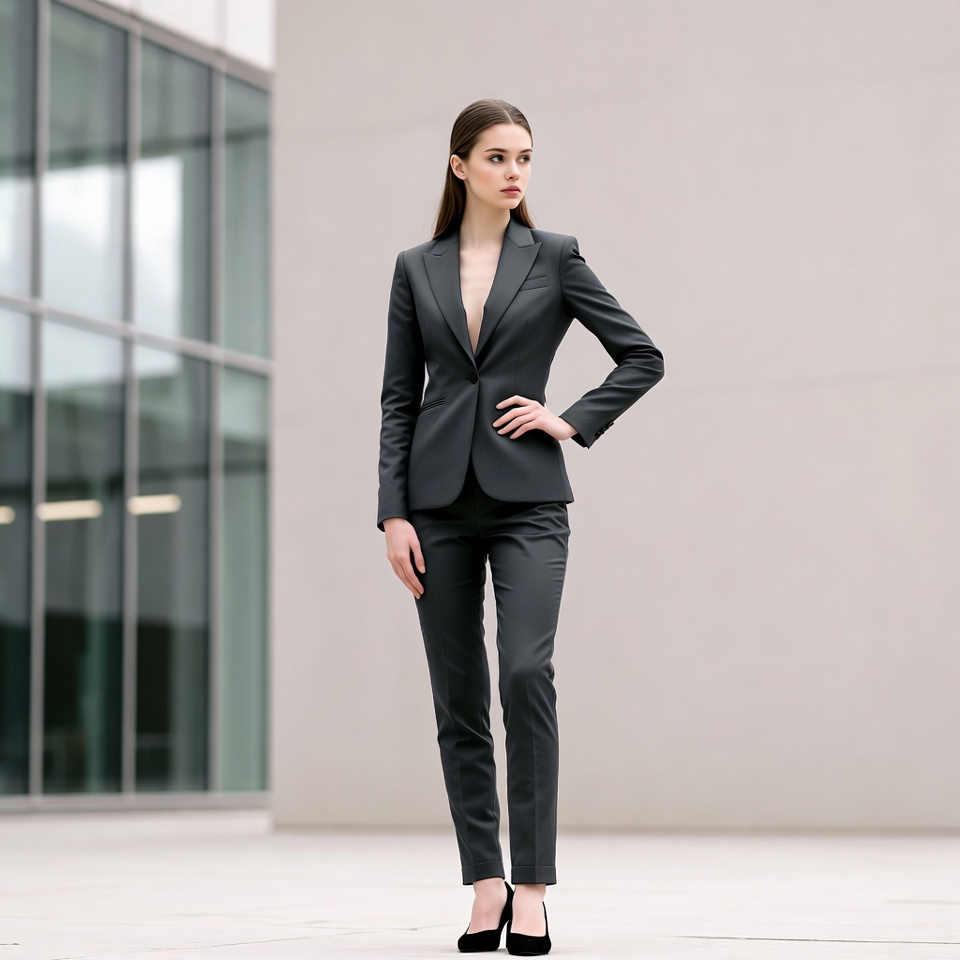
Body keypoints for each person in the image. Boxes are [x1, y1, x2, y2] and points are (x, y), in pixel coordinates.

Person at [378, 99, 664, 956]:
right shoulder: (414, 266)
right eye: (498, 157)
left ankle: (532, 885)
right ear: (460, 164)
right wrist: (392, 510)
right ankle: (485, 883)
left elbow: (641, 354)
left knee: (525, 673)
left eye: (526, 158)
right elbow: (399, 398)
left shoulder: (556, 257)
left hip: (529, 501)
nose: (515, 173)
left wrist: (569, 420)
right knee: (458, 698)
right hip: (434, 505)